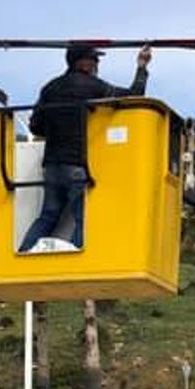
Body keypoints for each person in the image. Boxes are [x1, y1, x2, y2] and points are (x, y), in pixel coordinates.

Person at [19, 44, 153, 253]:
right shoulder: (91, 86)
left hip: (51, 165)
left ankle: (24, 253)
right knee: (85, 219)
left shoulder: (50, 88)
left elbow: (35, 126)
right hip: (76, 164)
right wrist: (142, 66)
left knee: (48, 215)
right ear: (82, 62)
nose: (96, 64)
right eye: (94, 59)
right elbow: (134, 95)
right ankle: (74, 259)